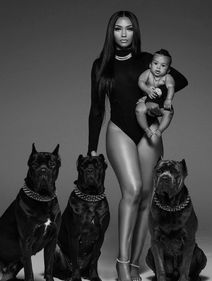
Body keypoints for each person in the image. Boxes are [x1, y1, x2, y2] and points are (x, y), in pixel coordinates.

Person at [87, 11, 188, 281]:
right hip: (119, 130)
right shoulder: (101, 66)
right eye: (118, 29)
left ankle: (133, 265)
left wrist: (163, 92)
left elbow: (182, 80)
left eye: (128, 29)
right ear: (111, 33)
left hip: (147, 133)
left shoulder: (147, 61)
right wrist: (91, 149)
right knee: (131, 190)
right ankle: (121, 263)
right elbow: (97, 110)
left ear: (135, 33)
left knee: (146, 195)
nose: (123, 34)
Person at [136, 49, 175, 138]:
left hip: (161, 101)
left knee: (169, 113)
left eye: (163, 65)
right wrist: (147, 89)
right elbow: (140, 81)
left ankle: (160, 130)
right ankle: (146, 129)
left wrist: (168, 99)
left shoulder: (167, 77)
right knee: (139, 110)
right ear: (150, 65)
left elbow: (171, 87)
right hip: (146, 98)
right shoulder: (148, 73)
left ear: (168, 70)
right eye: (155, 63)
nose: (158, 67)